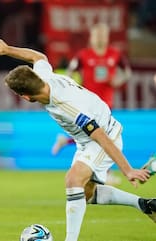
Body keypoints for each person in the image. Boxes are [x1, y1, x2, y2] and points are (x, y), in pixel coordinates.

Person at [0, 37, 156, 241]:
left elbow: (99, 135)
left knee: (73, 180)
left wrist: (128, 170)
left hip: (105, 134)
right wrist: (7, 49)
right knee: (86, 192)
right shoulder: (43, 77)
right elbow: (38, 56)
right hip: (87, 139)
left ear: (26, 97)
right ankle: (146, 205)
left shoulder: (66, 107)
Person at [51, 23, 132, 156]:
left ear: (107, 37)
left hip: (106, 101)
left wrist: (118, 81)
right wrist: (75, 88)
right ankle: (105, 172)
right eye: (97, 35)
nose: (100, 38)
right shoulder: (83, 55)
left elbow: (127, 72)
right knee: (101, 134)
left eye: (102, 35)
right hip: (88, 101)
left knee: (96, 134)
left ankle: (66, 141)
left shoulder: (115, 54)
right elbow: (70, 73)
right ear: (91, 38)